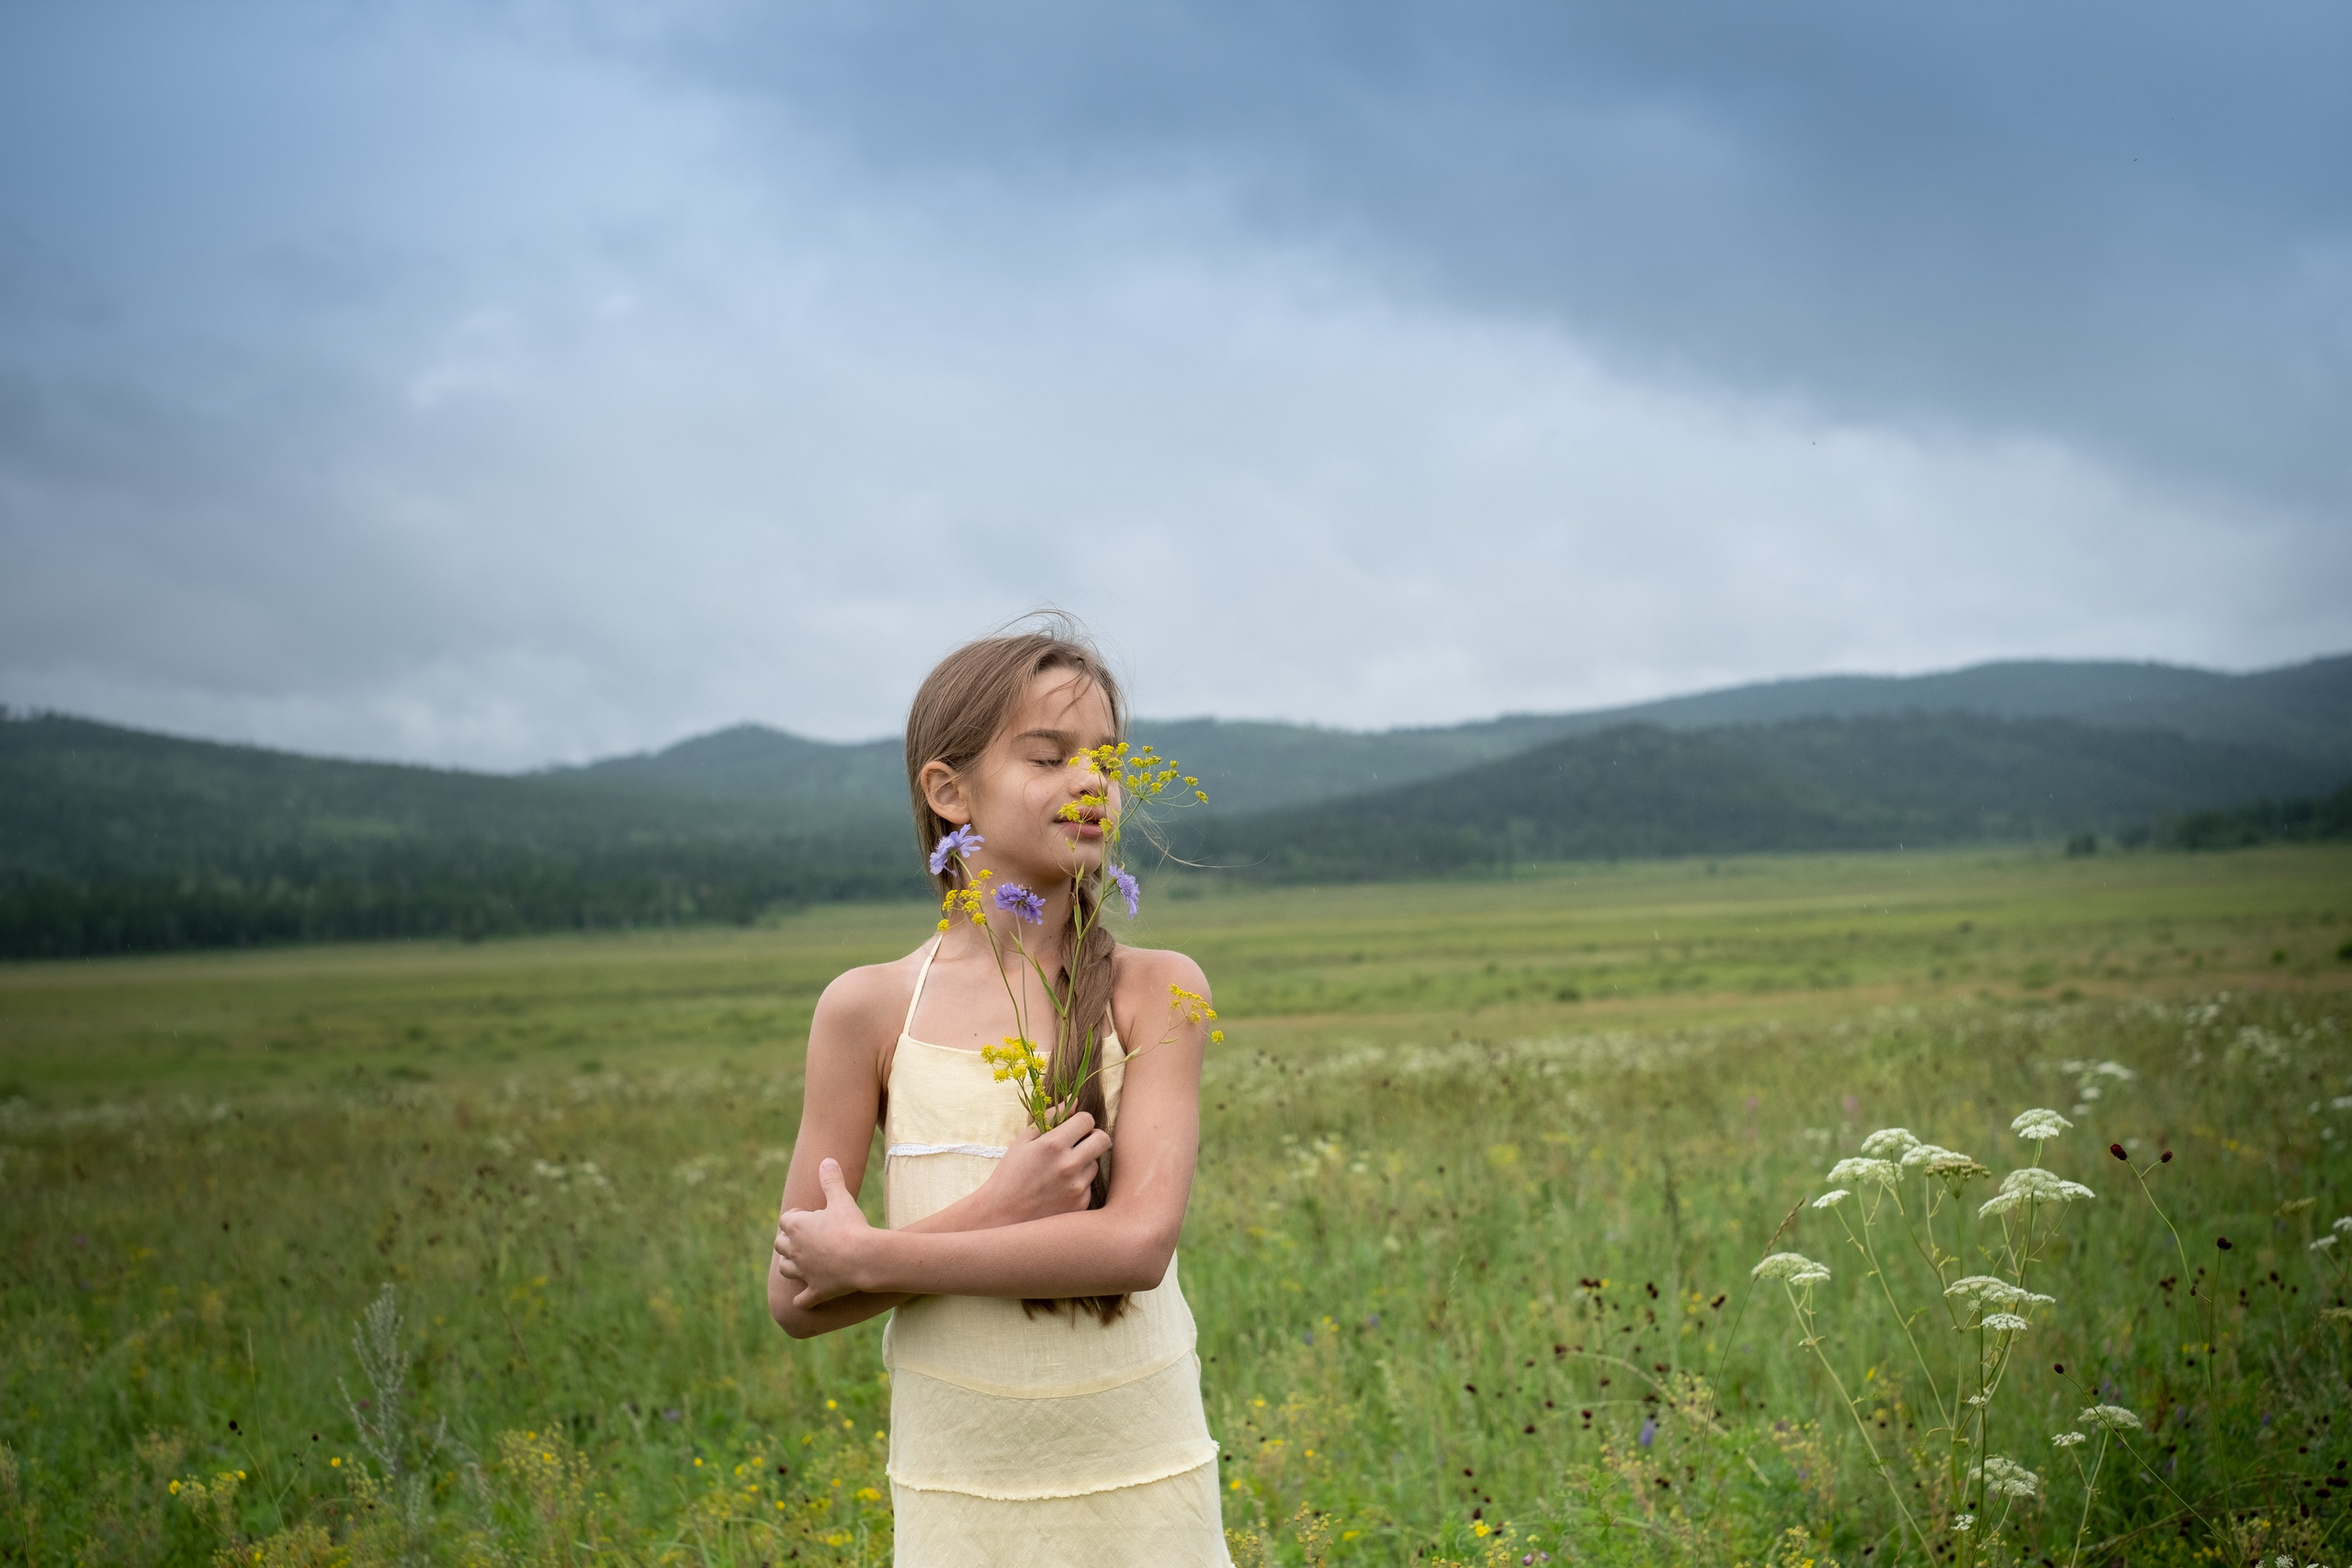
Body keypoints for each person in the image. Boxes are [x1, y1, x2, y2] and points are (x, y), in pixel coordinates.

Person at [768, 618, 1227, 1566]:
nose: (1091, 782)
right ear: (948, 792)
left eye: (1104, 758)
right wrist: (995, 1211)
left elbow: (1136, 1246)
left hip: (1141, 1479)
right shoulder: (867, 1010)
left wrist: (876, 1255)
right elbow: (800, 1292)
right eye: (1048, 757)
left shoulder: (1159, 988)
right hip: (960, 1493)